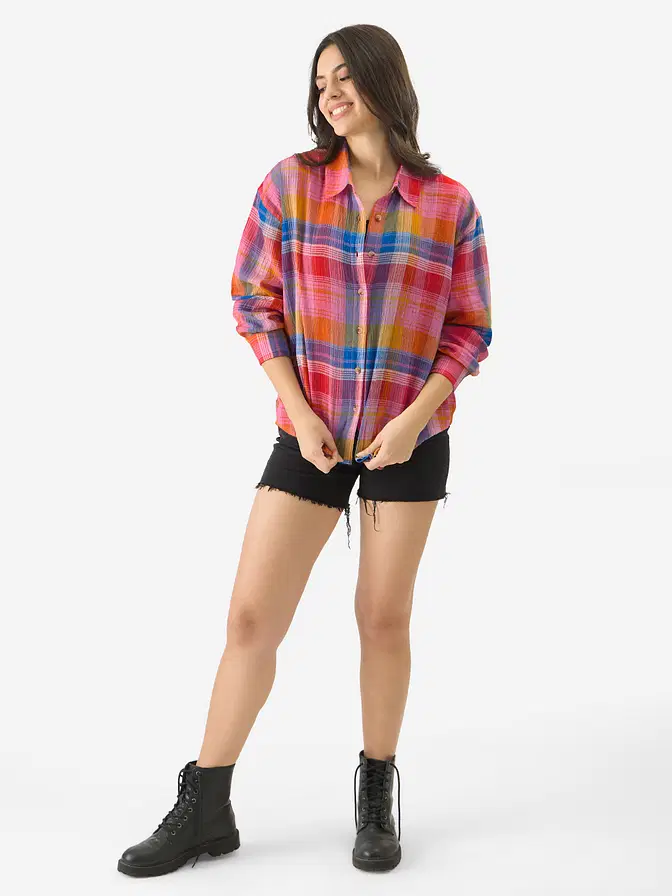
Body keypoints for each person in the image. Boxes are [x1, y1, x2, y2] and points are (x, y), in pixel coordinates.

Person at [117, 23, 491, 878]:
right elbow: (253, 300)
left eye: (346, 75)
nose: (331, 92)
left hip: (409, 438)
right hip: (309, 434)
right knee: (251, 618)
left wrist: (414, 419)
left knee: (381, 618)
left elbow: (470, 328)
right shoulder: (290, 185)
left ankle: (375, 795)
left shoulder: (448, 205)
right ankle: (207, 805)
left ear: (385, 82)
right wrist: (297, 407)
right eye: (321, 81)